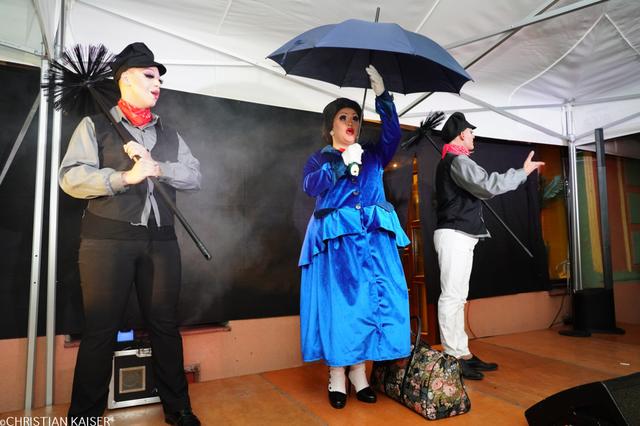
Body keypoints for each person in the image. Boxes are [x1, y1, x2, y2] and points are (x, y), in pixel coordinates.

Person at [59, 42, 202, 425]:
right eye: (150, 76)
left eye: (160, 79)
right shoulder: (94, 125)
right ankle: (84, 417)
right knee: (101, 330)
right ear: (124, 79)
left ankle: (179, 409)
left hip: (161, 241)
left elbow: (194, 176)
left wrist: (159, 168)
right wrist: (125, 177)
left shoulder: (170, 133)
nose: (158, 84)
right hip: (106, 241)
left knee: (165, 326)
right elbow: (70, 178)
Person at [298, 65, 411, 409]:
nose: (351, 123)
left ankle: (359, 373)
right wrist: (340, 163)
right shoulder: (319, 158)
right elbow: (310, 187)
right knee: (342, 306)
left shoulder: (374, 154)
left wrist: (382, 96)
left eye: (356, 118)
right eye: (343, 117)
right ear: (331, 125)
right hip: (338, 245)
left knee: (369, 303)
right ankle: (337, 373)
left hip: (373, 242)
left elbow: (393, 134)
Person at [434, 112, 544, 380]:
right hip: (454, 233)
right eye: (471, 132)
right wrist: (523, 172)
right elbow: (487, 185)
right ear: (462, 134)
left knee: (458, 297)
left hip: (461, 234)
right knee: (452, 297)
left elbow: (480, 188)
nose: (474, 135)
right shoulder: (457, 160)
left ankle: (462, 353)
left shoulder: (457, 160)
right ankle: (452, 357)